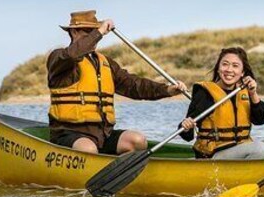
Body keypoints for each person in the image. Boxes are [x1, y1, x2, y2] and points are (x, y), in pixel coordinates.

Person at [48, 10, 188, 154]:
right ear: (74, 32)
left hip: (103, 133)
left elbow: (133, 85)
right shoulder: (60, 58)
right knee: (88, 149)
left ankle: (121, 173)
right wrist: (100, 32)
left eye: (94, 31)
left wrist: (167, 90)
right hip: (70, 133)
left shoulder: (106, 63)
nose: (94, 37)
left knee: (137, 140)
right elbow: (72, 55)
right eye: (89, 32)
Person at [179, 47, 264, 159]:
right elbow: (186, 135)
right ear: (218, 68)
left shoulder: (245, 91)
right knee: (259, 148)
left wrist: (253, 93)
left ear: (242, 72)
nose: (229, 69)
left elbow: (260, 120)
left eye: (235, 66)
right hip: (214, 154)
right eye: (225, 64)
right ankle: (246, 175)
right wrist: (186, 126)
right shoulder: (205, 93)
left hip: (240, 147)